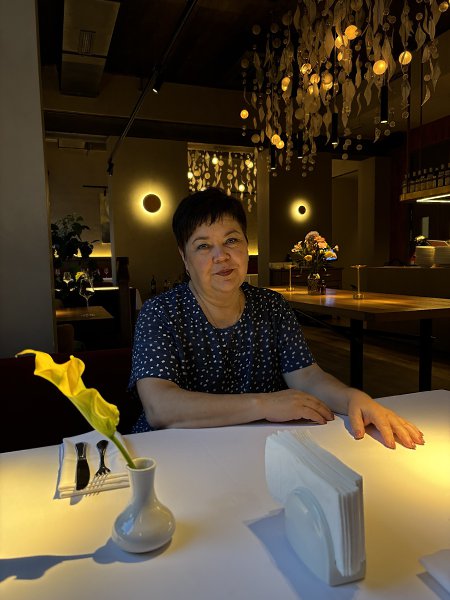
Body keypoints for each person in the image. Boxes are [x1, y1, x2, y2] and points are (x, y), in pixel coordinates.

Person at [130, 188, 424, 450]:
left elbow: (306, 376)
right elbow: (160, 407)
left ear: (246, 246)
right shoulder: (160, 312)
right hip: (173, 454)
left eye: (231, 240)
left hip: (258, 447)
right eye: (203, 246)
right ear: (185, 258)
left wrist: (352, 399)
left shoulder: (271, 306)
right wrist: (264, 404)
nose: (221, 256)